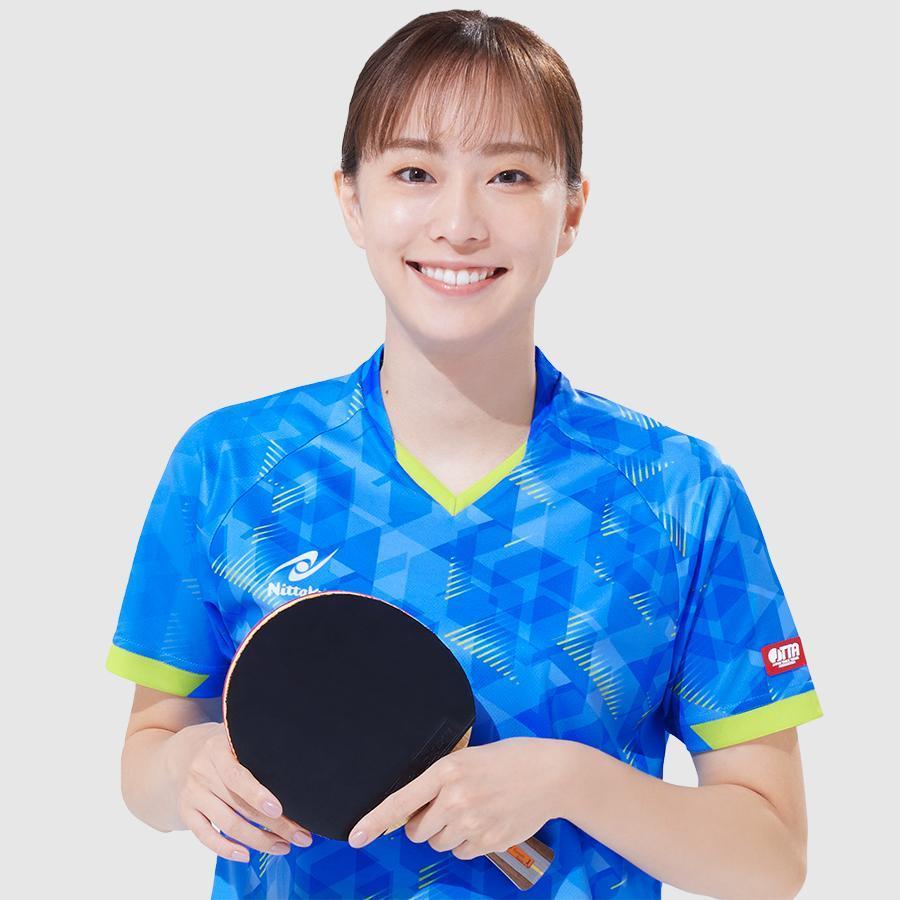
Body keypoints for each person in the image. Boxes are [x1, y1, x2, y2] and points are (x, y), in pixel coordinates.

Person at [105, 10, 824, 899]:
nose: (458, 223)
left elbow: (770, 858)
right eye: (414, 172)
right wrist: (187, 771)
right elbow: (146, 759)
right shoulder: (230, 464)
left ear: (572, 209)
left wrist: (573, 782)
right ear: (351, 199)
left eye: (510, 175)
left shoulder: (680, 493)